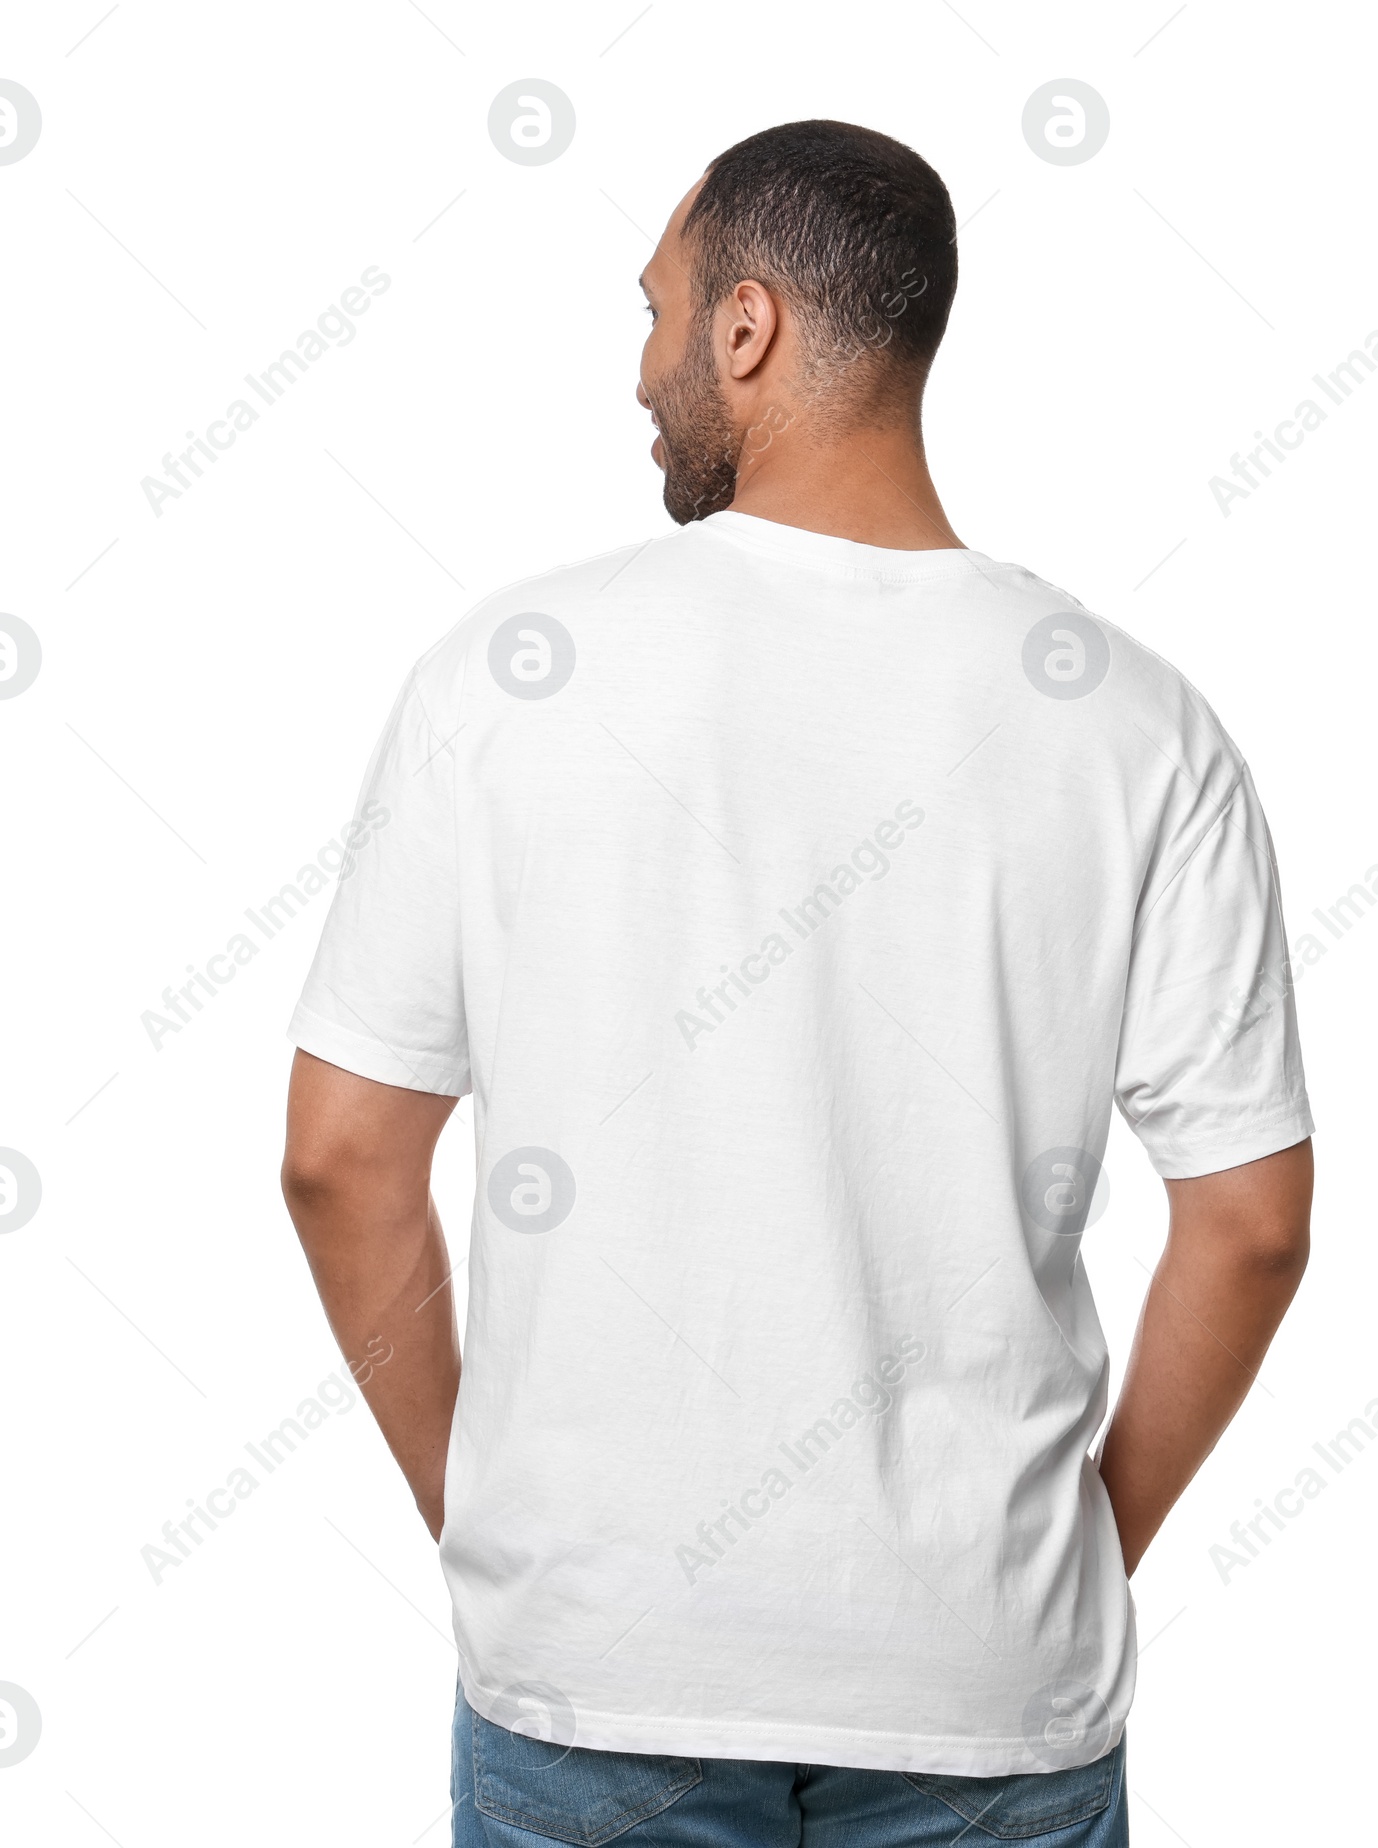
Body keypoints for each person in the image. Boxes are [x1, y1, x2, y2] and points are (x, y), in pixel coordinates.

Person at [281, 118, 1313, 1848]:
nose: (642, 370)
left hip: (599, 1675)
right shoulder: (1138, 723)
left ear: (746, 328)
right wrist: (1065, 1557)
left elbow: (336, 1159)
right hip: (984, 1695)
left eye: (659, 311)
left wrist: (488, 1521)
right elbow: (1255, 1220)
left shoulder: (505, 678)